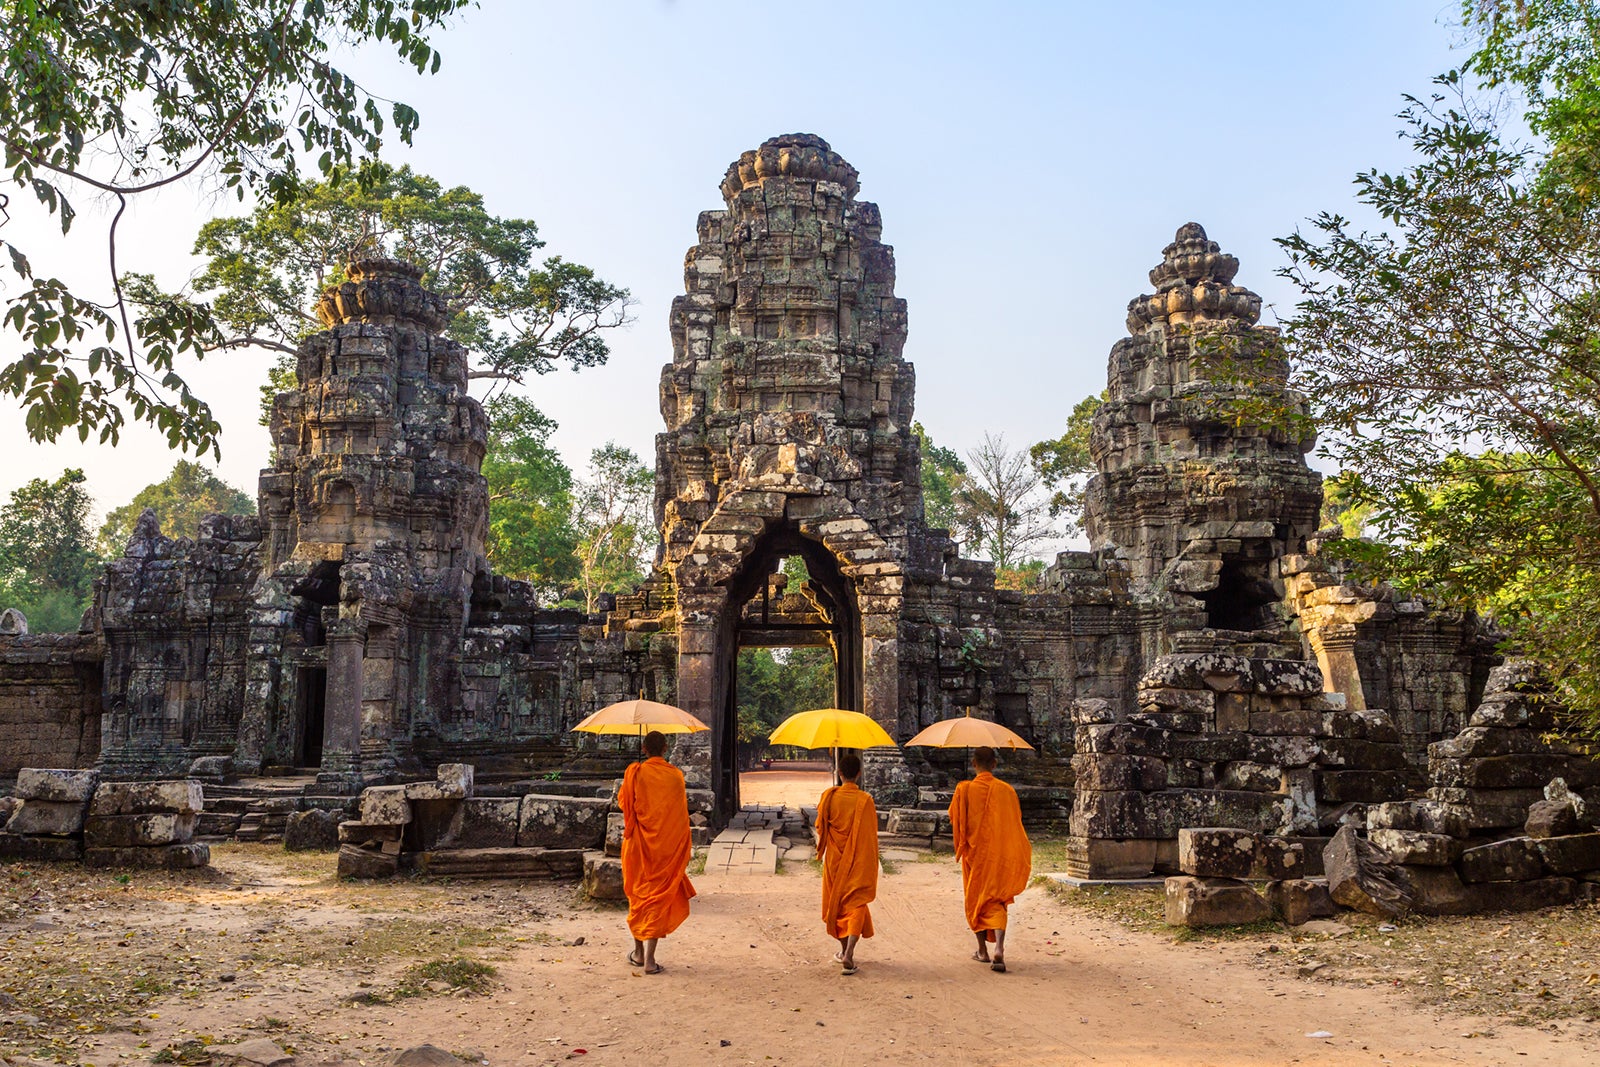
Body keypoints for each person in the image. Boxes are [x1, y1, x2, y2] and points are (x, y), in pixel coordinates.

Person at [618, 730, 696, 974]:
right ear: (665, 748)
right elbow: (680, 816)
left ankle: (639, 953)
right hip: (666, 849)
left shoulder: (635, 773)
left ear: (643, 748)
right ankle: (650, 959)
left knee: (639, 896)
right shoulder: (675, 776)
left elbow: (624, 803)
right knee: (658, 900)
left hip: (639, 848)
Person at [948, 745, 1032, 973]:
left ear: (973, 763)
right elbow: (1015, 822)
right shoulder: (1007, 791)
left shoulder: (963, 789)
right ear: (994, 764)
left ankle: (983, 951)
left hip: (975, 856)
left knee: (976, 899)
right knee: (997, 900)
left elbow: (955, 820)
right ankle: (1000, 949)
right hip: (999, 855)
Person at [814, 751, 879, 975]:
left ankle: (843, 951)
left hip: (835, 860)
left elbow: (820, 827)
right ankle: (849, 952)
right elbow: (871, 835)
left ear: (839, 773)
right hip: (859, 860)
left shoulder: (829, 797)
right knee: (856, 902)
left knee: (838, 902)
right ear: (859, 774)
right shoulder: (865, 800)